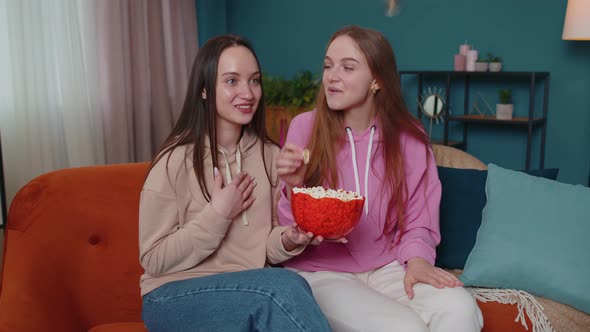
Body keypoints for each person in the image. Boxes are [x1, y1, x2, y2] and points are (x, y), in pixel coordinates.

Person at [276, 26, 484, 332]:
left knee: (461, 308)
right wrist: (295, 186)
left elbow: (420, 218)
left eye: (347, 67)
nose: (332, 75)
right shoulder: (304, 128)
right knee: (404, 327)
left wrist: (417, 260)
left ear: (376, 80)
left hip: (390, 265)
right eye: (327, 65)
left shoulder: (409, 137)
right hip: (323, 271)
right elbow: (288, 225)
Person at [139, 34, 332, 332]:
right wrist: (217, 215)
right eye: (231, 81)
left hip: (247, 292)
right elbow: (153, 259)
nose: (248, 92)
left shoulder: (270, 156)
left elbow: (262, 249)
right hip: (173, 296)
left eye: (254, 81)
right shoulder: (174, 161)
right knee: (282, 289)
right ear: (204, 90)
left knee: (286, 287)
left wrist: (288, 240)